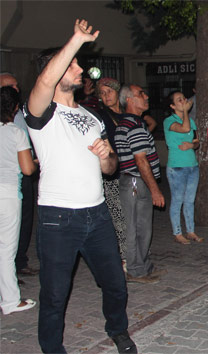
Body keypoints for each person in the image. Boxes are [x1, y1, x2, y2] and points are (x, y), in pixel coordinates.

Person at [23, 19, 136, 353]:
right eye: (72, 65)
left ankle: (118, 328)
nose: (80, 69)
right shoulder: (41, 112)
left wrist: (106, 158)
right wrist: (75, 40)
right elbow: (45, 81)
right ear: (55, 73)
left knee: (116, 284)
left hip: (97, 215)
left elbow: (112, 166)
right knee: (55, 294)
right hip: (59, 219)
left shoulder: (92, 116)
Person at [115, 84, 165, 284]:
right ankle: (136, 270)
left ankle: (142, 266)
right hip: (135, 180)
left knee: (142, 227)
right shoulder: (133, 125)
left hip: (134, 180)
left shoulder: (135, 123)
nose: (145, 96)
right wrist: (155, 190)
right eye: (140, 94)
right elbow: (141, 160)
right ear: (129, 100)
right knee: (137, 227)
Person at [0, 86, 37, 315]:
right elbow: (27, 169)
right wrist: (34, 162)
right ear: (15, 108)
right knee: (6, 249)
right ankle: (11, 300)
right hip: (7, 194)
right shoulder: (15, 132)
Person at [95, 77, 128, 265]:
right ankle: (122, 256)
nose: (106, 96)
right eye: (102, 93)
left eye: (109, 91)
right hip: (112, 171)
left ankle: (133, 253)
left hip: (130, 170)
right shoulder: (100, 116)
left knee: (131, 214)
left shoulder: (126, 112)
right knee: (117, 215)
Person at [163, 90, 201, 245]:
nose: (184, 101)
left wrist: (192, 145)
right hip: (177, 167)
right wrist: (186, 111)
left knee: (190, 200)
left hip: (192, 165)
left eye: (183, 98)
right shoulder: (168, 121)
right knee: (178, 200)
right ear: (172, 106)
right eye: (179, 100)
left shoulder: (190, 120)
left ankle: (190, 231)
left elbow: (197, 140)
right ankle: (177, 232)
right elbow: (184, 129)